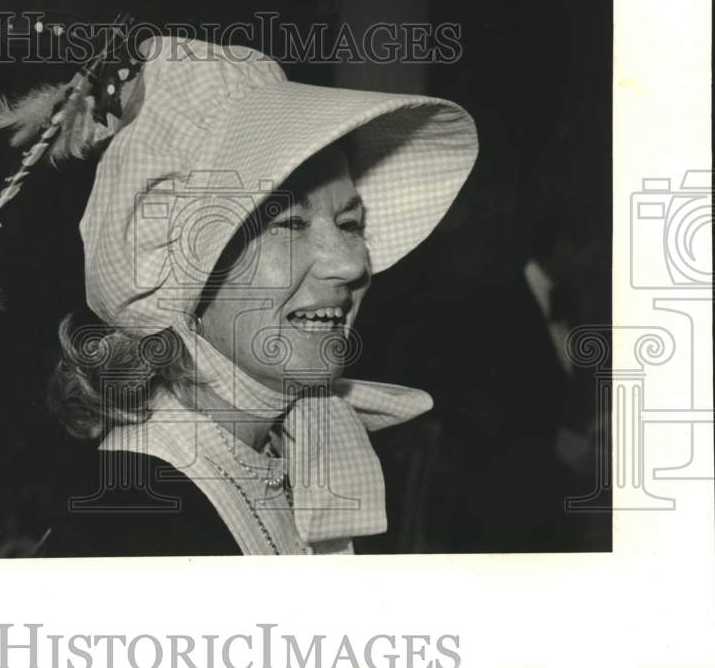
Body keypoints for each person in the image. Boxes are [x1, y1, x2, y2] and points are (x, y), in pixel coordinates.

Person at [41, 36, 478, 556]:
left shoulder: (277, 460)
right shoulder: (132, 525)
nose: (351, 263)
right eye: (290, 223)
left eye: (350, 223)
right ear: (179, 271)